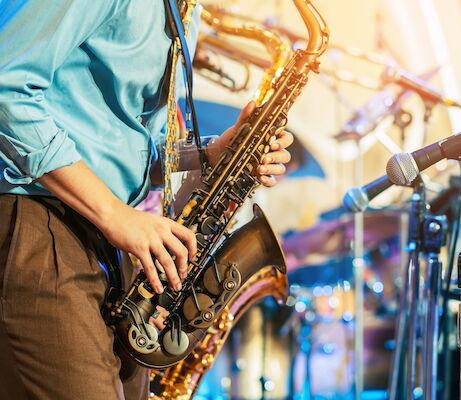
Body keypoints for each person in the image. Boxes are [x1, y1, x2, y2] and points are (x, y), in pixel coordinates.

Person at [0, 1, 293, 399]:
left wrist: (215, 153)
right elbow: (5, 88)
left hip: (105, 236)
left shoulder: (184, 15)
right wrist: (115, 215)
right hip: (38, 218)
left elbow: (131, 145)